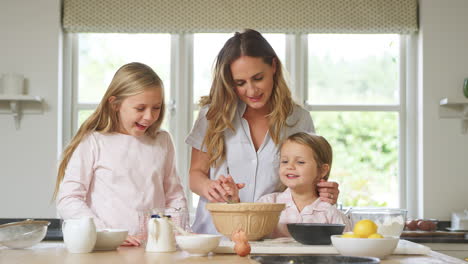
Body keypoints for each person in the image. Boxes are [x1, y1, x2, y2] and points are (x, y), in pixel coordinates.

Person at [186, 29, 340, 235]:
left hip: (273, 234)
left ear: (273, 66)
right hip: (216, 233)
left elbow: (308, 178)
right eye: (240, 83)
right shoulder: (212, 115)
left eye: (258, 78)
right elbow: (196, 175)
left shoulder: (298, 119)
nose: (251, 91)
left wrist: (324, 192)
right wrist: (210, 187)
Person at [54, 62, 187, 246]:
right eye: (140, 108)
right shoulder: (93, 141)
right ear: (115, 104)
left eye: (156, 107)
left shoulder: (162, 141)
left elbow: (174, 195)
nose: (149, 116)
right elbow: (69, 199)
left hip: (152, 248)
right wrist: (105, 232)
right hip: (107, 247)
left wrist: (177, 231)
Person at [256, 132, 351, 237]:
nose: (290, 166)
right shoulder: (267, 204)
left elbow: (347, 246)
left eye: (300, 162)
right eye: (284, 161)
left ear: (322, 171)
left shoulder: (330, 213)